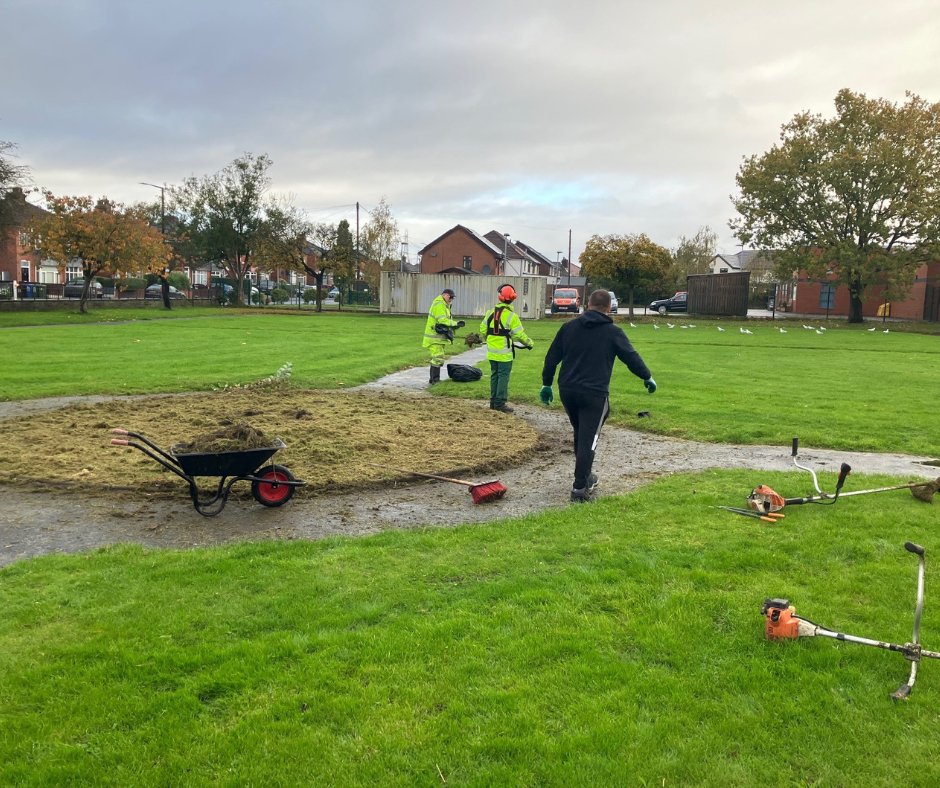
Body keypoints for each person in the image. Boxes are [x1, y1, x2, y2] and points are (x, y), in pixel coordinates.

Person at [540, 289, 656, 502]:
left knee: (580, 432)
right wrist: (647, 377)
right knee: (589, 439)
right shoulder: (613, 332)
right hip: (593, 393)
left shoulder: (568, 328)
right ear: (609, 307)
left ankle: (586, 475)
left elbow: (551, 358)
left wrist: (546, 384)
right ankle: (579, 488)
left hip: (568, 390)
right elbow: (631, 357)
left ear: (587, 304)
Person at [479, 283, 534, 413]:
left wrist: (489, 338)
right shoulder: (512, 316)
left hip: (492, 352)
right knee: (503, 377)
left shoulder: (490, 313)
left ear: (500, 297)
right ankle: (500, 403)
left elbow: (482, 329)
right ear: (512, 298)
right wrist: (529, 343)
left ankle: (493, 402)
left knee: (494, 375)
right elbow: (519, 334)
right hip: (505, 354)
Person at [422, 288, 464, 384]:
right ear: (445, 295)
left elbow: (444, 321)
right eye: (450, 297)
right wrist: (455, 324)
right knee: (438, 358)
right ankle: (435, 380)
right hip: (434, 338)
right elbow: (442, 320)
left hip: (437, 338)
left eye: (452, 298)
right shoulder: (440, 304)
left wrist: (454, 326)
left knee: (438, 358)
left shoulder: (444, 305)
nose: (451, 300)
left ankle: (433, 379)